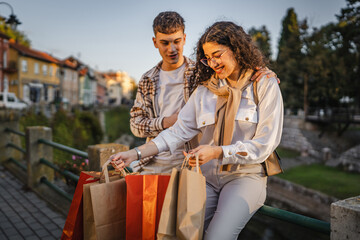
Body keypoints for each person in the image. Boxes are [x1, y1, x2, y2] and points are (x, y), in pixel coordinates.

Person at [111, 21, 283, 239]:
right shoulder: (205, 89)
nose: (212, 63)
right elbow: (178, 131)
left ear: (236, 49)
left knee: (216, 237)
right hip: (206, 179)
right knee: (175, 233)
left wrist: (218, 152)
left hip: (245, 177)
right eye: (207, 57)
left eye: (217, 55)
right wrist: (133, 154)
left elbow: (265, 144)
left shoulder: (265, 84)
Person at [129, 11, 198, 173]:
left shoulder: (200, 72)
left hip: (192, 163)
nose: (172, 49)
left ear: (185, 39)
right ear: (155, 42)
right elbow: (135, 125)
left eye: (176, 41)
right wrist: (167, 121)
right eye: (165, 43)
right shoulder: (147, 79)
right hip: (155, 161)